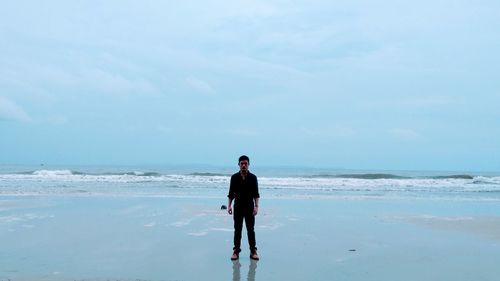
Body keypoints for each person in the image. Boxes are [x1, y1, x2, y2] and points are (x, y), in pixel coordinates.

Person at [227, 155, 260, 260]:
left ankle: (253, 251)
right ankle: (236, 251)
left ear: (248, 165)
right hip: (238, 207)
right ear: (239, 165)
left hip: (249, 207)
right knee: (237, 230)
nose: (244, 165)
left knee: (251, 230)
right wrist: (229, 206)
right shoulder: (234, 177)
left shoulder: (253, 178)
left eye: (246, 163)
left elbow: (256, 194)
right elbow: (231, 194)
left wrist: (256, 207)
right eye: (242, 164)